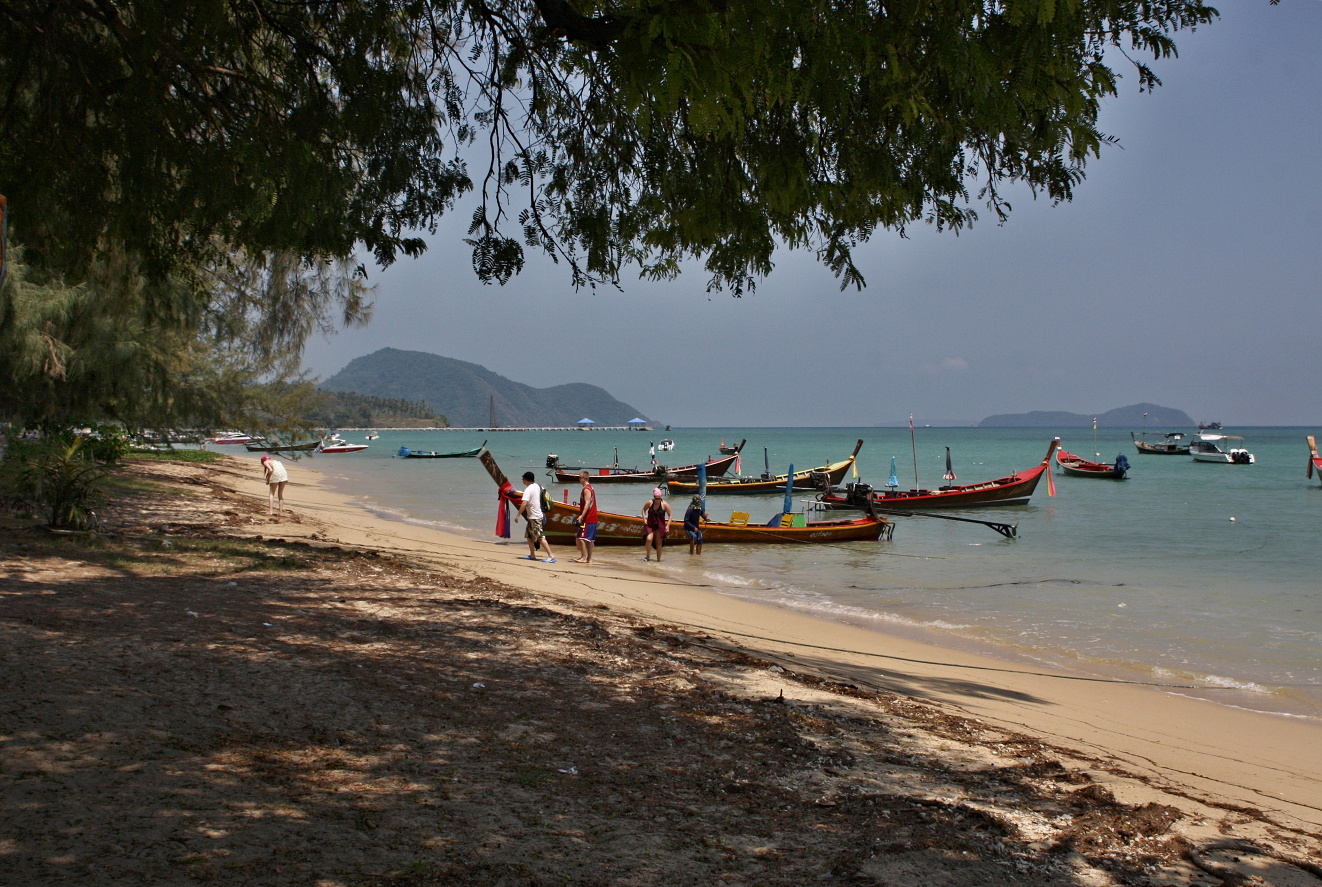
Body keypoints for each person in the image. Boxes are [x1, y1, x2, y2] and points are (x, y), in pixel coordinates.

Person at [515, 470, 555, 563]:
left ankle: (551, 555)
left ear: (526, 479)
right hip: (535, 516)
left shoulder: (528, 489)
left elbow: (524, 503)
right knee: (529, 536)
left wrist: (518, 515)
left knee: (540, 537)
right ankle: (532, 555)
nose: (522, 480)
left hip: (535, 517)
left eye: (523, 479)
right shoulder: (538, 486)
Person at [641, 487, 672, 562]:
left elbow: (670, 515)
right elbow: (643, 510)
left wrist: (668, 526)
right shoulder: (650, 503)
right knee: (649, 539)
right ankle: (648, 556)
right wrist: (644, 518)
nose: (657, 500)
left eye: (659, 498)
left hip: (660, 526)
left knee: (659, 542)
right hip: (650, 524)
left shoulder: (664, 504)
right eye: (656, 498)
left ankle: (658, 560)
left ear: (661, 497)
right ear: (654, 497)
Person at [573, 470, 598, 564]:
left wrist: (581, 516)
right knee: (588, 539)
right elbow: (589, 502)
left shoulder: (586, 489)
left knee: (581, 537)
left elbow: (587, 503)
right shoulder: (591, 487)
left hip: (587, 519)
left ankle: (584, 557)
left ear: (584, 479)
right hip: (591, 518)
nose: (578, 479)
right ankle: (589, 558)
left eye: (580, 477)